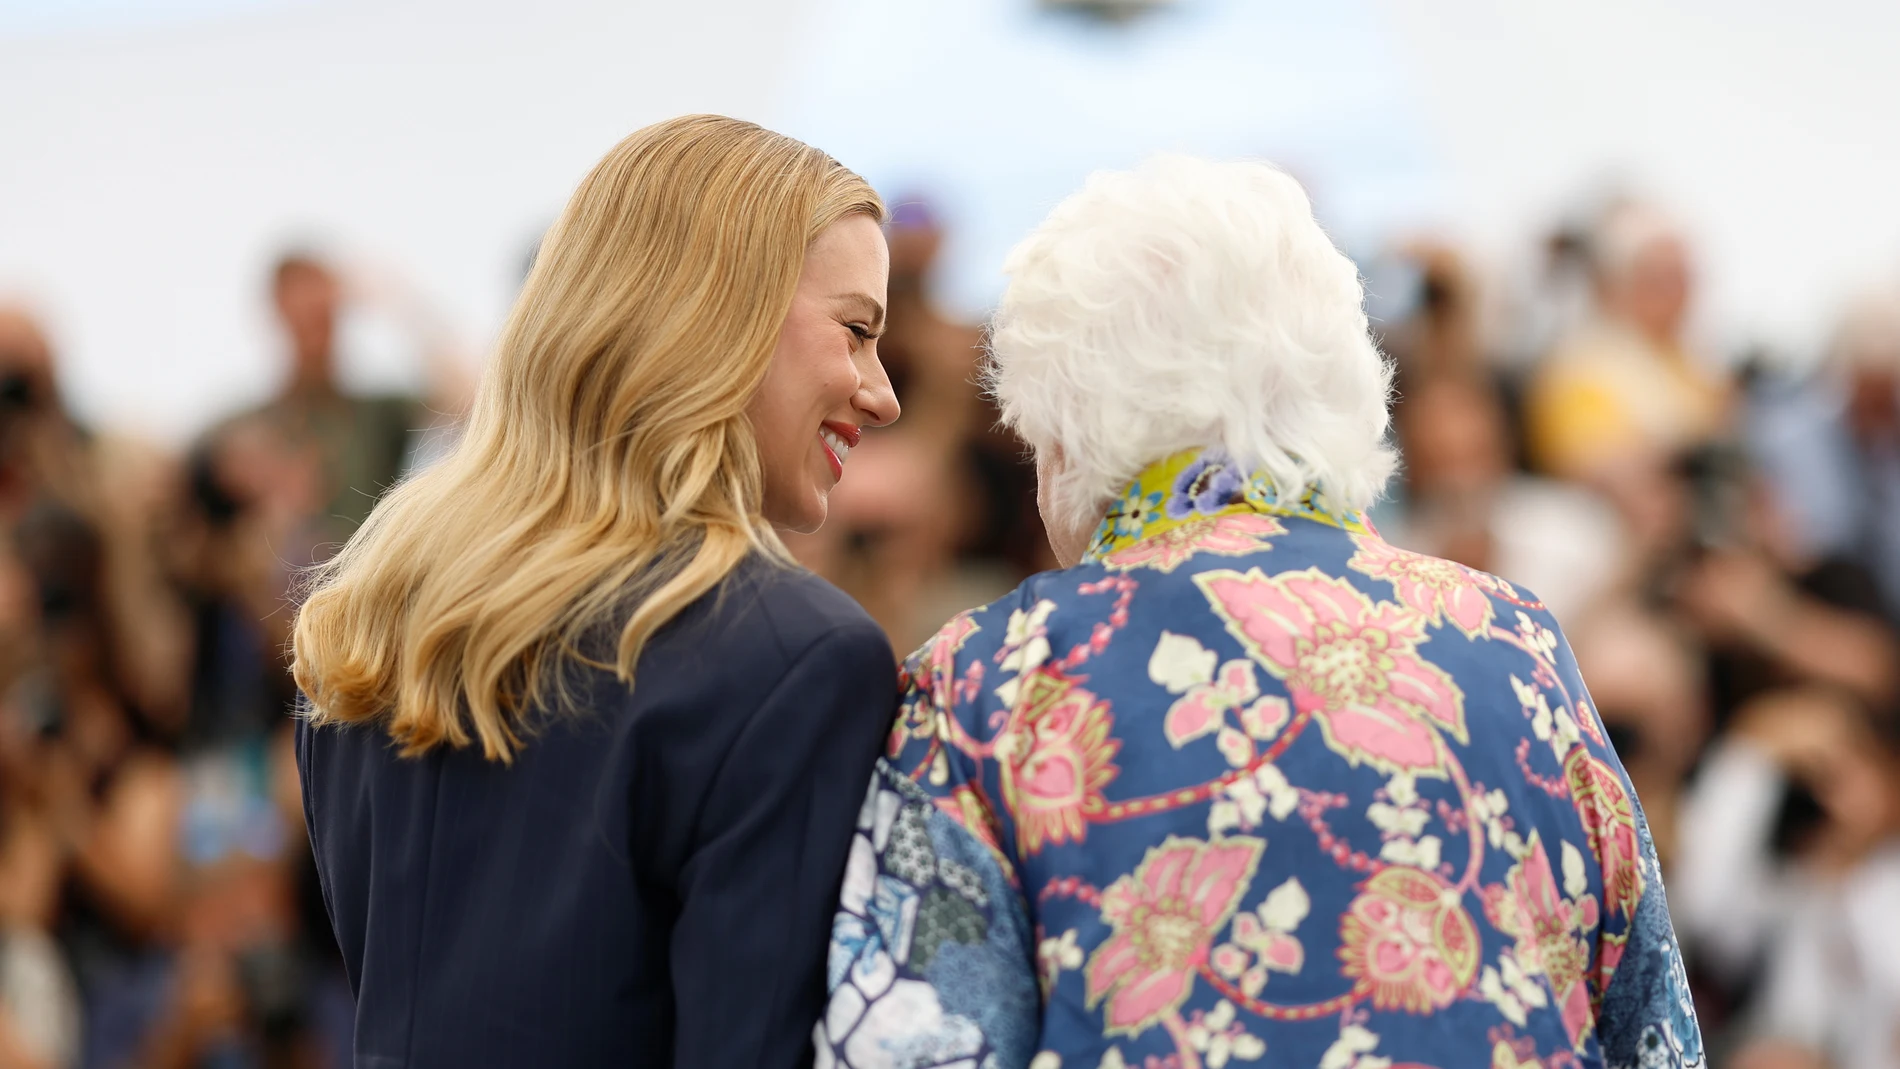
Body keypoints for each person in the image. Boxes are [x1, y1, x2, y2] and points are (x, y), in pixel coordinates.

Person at [816, 157, 1704, 1069]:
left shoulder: (985, 677)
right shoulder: (1513, 640)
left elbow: (906, 1045)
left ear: (1069, 428)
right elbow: (1655, 1034)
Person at [292, 115, 901, 1067]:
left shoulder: (367, 626)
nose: (882, 392)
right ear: (717, 310)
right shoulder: (797, 657)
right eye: (858, 331)